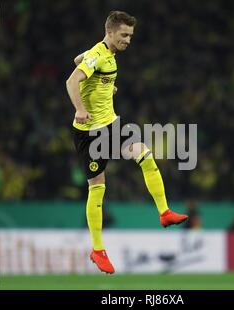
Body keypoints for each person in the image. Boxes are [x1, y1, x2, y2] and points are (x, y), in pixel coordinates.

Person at [66, 11, 188, 274]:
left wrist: (105, 86)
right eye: (124, 35)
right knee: (97, 188)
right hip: (90, 133)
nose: (128, 40)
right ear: (109, 32)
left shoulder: (103, 54)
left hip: (111, 125)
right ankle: (98, 250)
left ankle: (164, 212)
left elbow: (79, 60)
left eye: (130, 36)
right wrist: (79, 107)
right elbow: (72, 79)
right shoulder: (99, 55)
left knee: (145, 154)